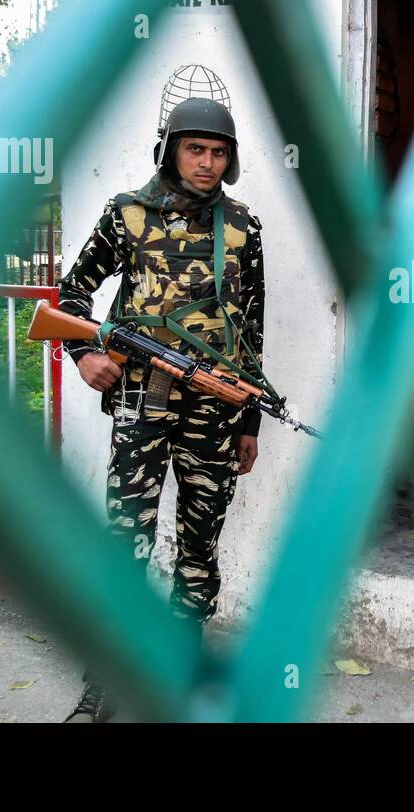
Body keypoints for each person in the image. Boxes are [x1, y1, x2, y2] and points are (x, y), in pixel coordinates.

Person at [56, 96, 264, 722]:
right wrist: (83, 353)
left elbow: (252, 330)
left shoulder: (244, 227)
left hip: (216, 416)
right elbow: (72, 294)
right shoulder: (127, 214)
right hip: (142, 407)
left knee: (198, 552)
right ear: (170, 149)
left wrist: (250, 420)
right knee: (126, 545)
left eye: (218, 151)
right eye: (195, 149)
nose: (206, 162)